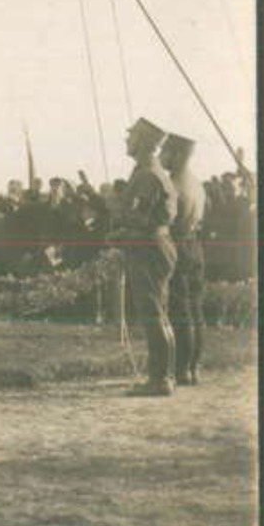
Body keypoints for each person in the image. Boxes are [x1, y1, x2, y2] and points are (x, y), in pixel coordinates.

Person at [113, 117, 179, 397]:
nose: (127, 141)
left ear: (142, 142)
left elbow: (139, 219)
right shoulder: (152, 171)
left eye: (131, 137)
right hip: (156, 244)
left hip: (148, 248)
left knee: (152, 314)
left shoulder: (146, 175)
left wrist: (118, 224)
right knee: (160, 314)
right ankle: (166, 375)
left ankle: (159, 380)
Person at [161, 133, 207, 386]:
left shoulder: (172, 184)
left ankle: (181, 368)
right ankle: (194, 367)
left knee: (180, 309)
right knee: (196, 308)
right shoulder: (197, 183)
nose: (161, 157)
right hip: (196, 244)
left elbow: (165, 221)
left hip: (178, 244)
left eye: (165, 152)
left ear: (177, 155)